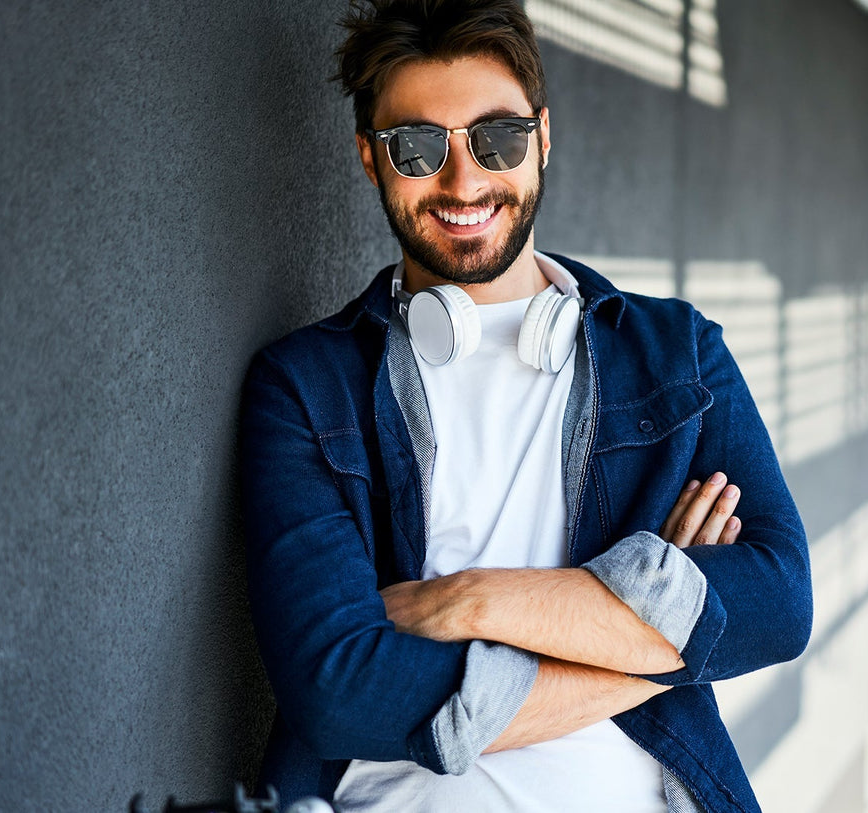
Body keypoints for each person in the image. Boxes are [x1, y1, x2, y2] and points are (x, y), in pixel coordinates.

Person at [237, 1, 812, 810]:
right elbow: (338, 691)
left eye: (496, 138)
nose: (463, 180)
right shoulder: (304, 386)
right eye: (417, 148)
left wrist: (468, 598)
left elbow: (779, 601)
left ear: (543, 136)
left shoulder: (673, 354)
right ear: (370, 159)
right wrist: (653, 641)